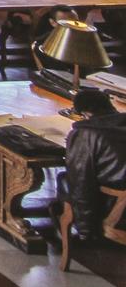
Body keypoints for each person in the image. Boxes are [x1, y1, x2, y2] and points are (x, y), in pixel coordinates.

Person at [54, 89, 126, 247]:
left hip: (118, 206)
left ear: (84, 113)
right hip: (121, 198)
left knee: (66, 179)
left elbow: (81, 182)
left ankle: (74, 232)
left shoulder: (85, 133)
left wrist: (86, 231)